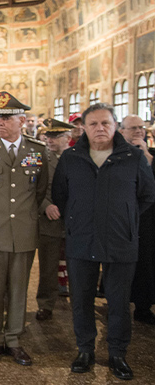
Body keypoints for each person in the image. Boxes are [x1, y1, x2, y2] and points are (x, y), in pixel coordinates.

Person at [52, 103, 155, 380]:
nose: (100, 128)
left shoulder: (133, 156)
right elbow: (60, 194)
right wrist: (77, 219)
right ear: (83, 128)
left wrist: (125, 217)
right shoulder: (71, 157)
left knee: (119, 302)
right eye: (93, 124)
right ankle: (85, 350)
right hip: (81, 239)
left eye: (105, 123)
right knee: (81, 299)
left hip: (120, 240)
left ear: (115, 126)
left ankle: (117, 353)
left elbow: (147, 195)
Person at [0, 92, 48, 366]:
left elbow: (40, 190)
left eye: (7, 118)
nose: (0, 122)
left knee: (19, 288)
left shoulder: (37, 151)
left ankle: (14, 339)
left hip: (24, 230)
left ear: (22, 121)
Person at [34, 118, 74, 322]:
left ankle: (80, 304)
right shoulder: (37, 157)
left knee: (77, 267)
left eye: (55, 136)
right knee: (48, 268)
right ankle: (45, 304)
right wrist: (45, 206)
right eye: (48, 136)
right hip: (49, 222)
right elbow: (28, 185)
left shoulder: (77, 157)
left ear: (68, 137)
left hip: (74, 222)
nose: (49, 140)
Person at [120, 115, 155, 325]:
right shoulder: (116, 154)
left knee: (146, 262)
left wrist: (148, 158)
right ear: (122, 131)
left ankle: (143, 305)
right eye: (133, 128)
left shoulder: (150, 154)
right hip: (122, 218)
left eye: (141, 127)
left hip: (147, 219)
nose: (139, 131)